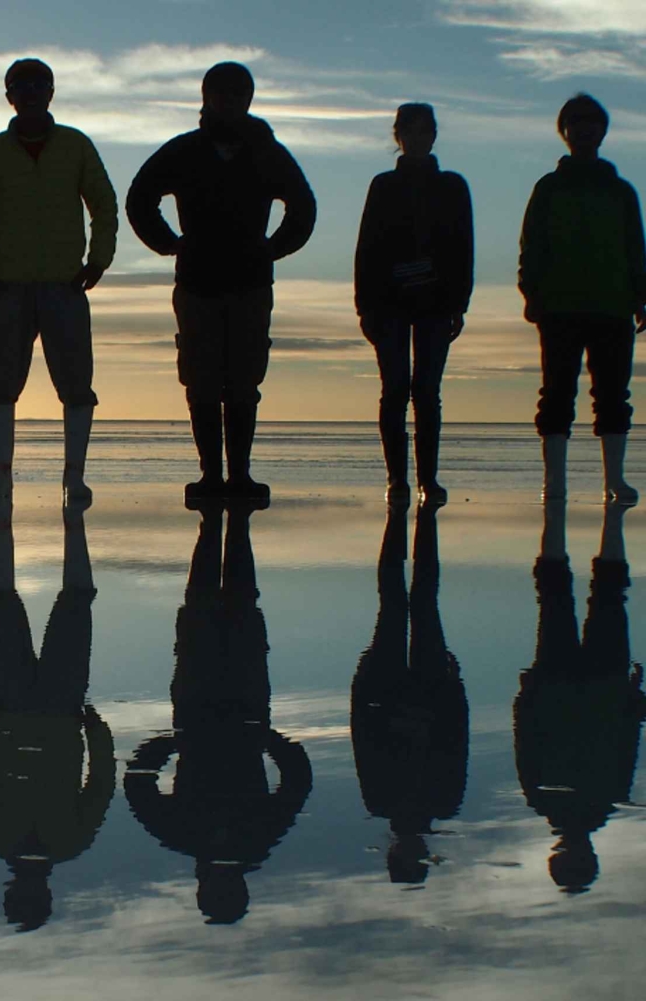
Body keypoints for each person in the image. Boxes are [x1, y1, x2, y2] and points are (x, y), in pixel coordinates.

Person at [126, 62, 316, 506]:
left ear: (247, 101)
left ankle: (241, 477)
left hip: (250, 283)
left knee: (245, 381)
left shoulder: (267, 152)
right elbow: (140, 197)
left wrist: (272, 248)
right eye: (220, 94)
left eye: (237, 95)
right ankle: (211, 476)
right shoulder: (186, 151)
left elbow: (303, 208)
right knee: (202, 380)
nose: (228, 102)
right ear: (207, 98)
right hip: (197, 284)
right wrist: (168, 243)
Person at [124, 502, 311, 924]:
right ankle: (231, 521)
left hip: (200, 706)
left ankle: (216, 521)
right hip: (240, 706)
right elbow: (296, 782)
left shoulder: (184, 836)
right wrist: (270, 740)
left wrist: (170, 743)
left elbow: (139, 785)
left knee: (204, 605)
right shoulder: (255, 838)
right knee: (231, 603)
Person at [0, 58, 118, 510]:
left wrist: (99, 259)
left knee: (77, 385)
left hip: (66, 285)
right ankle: (0, 478)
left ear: (50, 92)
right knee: (1, 386)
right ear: (9, 96)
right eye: (20, 86)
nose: (29, 93)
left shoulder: (76, 146)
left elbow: (103, 204)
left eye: (38, 85)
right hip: (9, 287)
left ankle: (76, 480)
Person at [0, 508, 114, 931]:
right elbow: (100, 786)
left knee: (3, 603)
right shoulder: (71, 842)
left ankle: (0, 515)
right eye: (31, 896)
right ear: (44, 893)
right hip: (61, 708)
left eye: (20, 896)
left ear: (11, 891)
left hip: (14, 706)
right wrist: (97, 731)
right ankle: (73, 516)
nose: (26, 888)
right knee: (74, 603)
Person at [520, 94, 646, 505]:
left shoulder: (621, 191)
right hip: (558, 306)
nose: (585, 130)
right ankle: (554, 480)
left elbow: (635, 247)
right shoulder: (549, 187)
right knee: (556, 394)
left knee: (613, 395)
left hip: (612, 305)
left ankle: (615, 480)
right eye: (577, 124)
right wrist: (532, 292)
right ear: (565, 132)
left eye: (592, 124)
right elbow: (532, 245)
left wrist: (641, 296)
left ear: (603, 132)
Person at [516, 501, 645, 893]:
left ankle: (575, 519)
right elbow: (526, 739)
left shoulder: (603, 797)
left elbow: (625, 744)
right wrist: (526, 694)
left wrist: (634, 699)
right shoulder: (547, 799)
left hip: (586, 685)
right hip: (574, 684)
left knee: (599, 597)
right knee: (563, 598)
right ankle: (581, 521)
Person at [355, 104, 473, 507]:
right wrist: (364, 306)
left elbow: (463, 247)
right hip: (388, 304)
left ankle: (429, 480)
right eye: (411, 131)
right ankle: (396, 480)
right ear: (399, 136)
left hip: (437, 303)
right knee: (395, 391)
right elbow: (366, 248)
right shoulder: (383, 186)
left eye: (425, 131)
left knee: (426, 391)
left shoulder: (453, 186)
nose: (418, 138)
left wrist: (460, 302)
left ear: (434, 136)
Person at [351, 505, 468, 885]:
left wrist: (361, 682)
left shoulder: (380, 801)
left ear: (392, 853)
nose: (409, 851)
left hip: (385, 691)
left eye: (403, 858)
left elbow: (363, 738)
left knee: (396, 603)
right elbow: (456, 740)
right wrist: (456, 687)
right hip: (432, 693)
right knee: (421, 600)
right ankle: (419, 522)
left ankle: (400, 521)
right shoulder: (444, 802)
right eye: (414, 858)